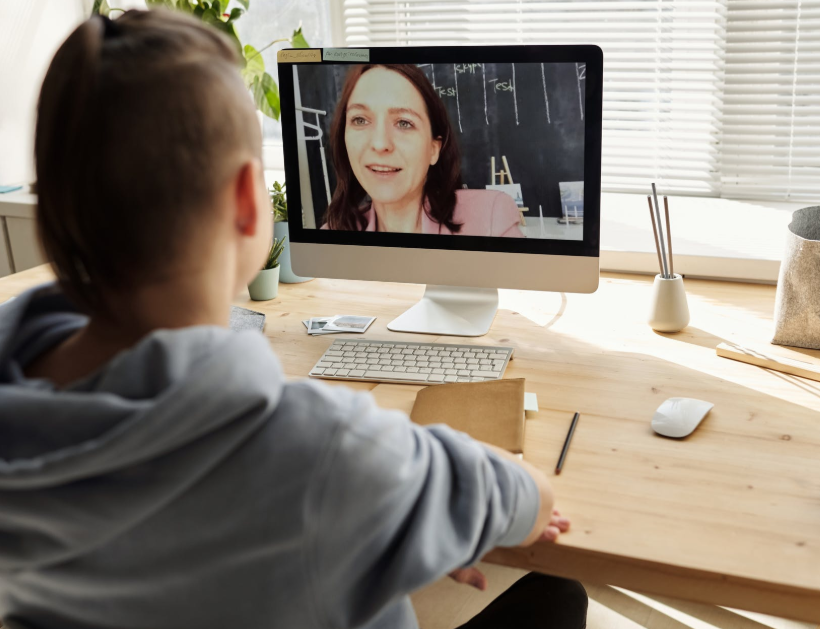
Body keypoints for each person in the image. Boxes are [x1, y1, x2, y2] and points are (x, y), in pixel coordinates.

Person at [0, 10, 586, 629]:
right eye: (360, 120)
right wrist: (416, 509)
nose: (379, 143)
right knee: (555, 593)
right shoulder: (326, 452)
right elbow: (529, 498)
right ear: (251, 201)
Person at [321, 64, 525, 237]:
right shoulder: (331, 236)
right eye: (360, 120)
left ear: (433, 149)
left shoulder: (491, 218)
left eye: (403, 123)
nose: (380, 143)